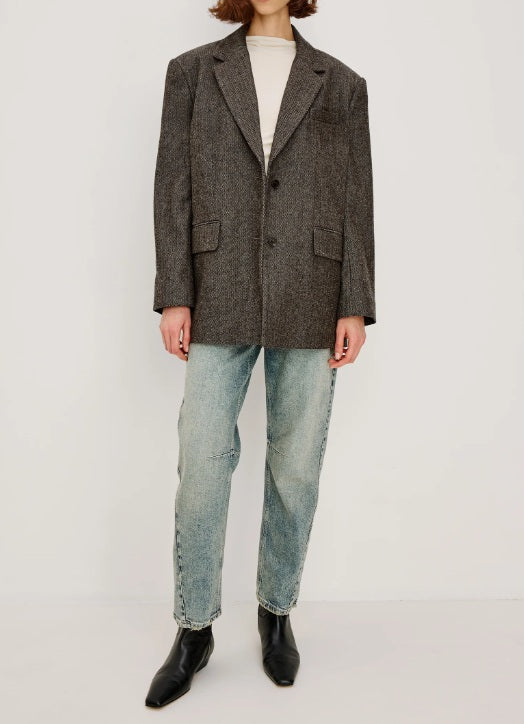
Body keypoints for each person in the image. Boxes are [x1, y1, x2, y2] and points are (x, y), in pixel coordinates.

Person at [145, 0, 376, 707]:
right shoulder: (192, 72)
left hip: (313, 285)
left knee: (295, 466)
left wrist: (355, 302)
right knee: (202, 462)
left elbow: (356, 198)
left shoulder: (341, 84)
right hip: (218, 285)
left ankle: (276, 612)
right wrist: (175, 292)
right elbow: (173, 186)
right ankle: (194, 627)